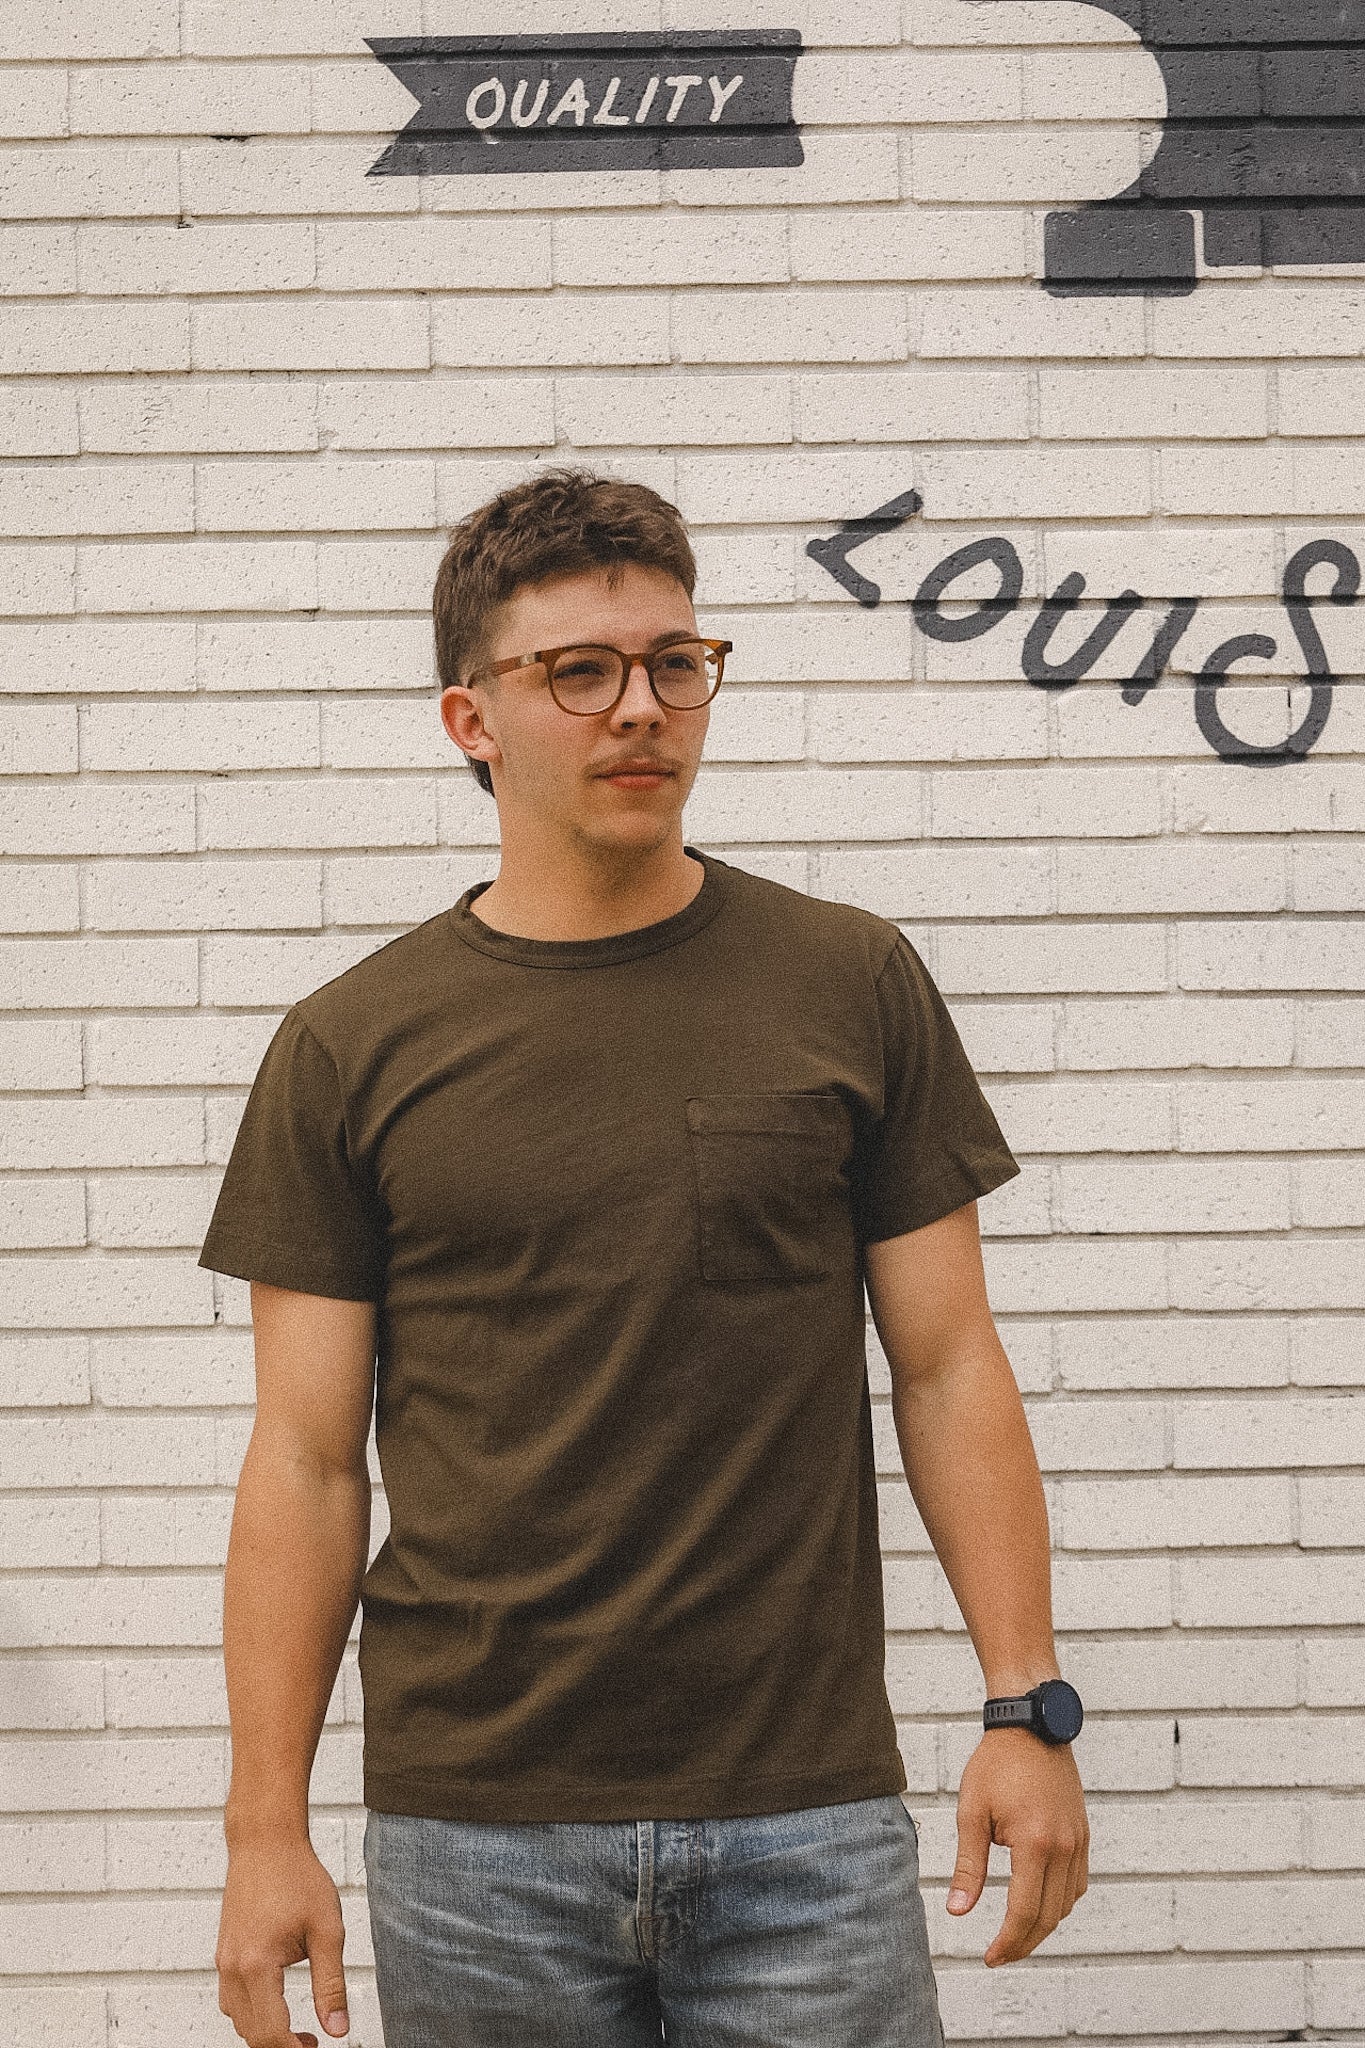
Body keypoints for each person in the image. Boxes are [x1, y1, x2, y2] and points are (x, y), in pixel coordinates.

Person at [203, 467, 1088, 2048]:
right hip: (475, 1832)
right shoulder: (352, 1046)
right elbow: (307, 1460)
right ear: (472, 719)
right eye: (581, 673)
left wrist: (1024, 1708)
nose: (640, 711)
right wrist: (263, 1829)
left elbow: (950, 1367)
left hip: (802, 1817)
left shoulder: (848, 980)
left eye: (676, 664)